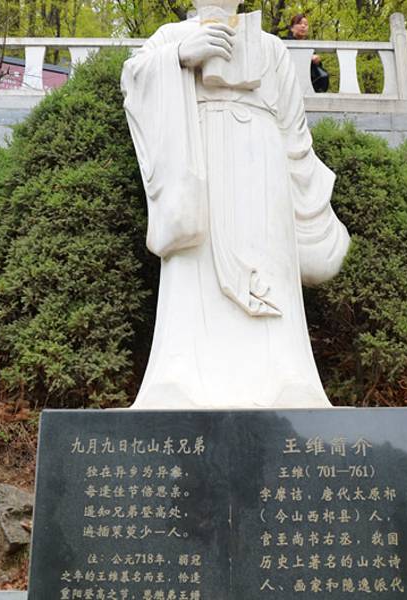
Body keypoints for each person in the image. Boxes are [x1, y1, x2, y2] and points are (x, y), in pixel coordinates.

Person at [121, 0, 349, 409]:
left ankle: (286, 378)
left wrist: (309, 201)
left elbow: (294, 131)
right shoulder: (171, 37)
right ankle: (180, 381)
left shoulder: (271, 47)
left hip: (263, 169)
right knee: (195, 270)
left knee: (270, 266)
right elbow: (133, 80)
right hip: (197, 165)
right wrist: (179, 56)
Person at [287, 13, 329, 93]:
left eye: (306, 24)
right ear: (292, 28)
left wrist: (317, 62)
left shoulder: (309, 47)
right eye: (300, 23)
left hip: (307, 86)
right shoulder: (284, 42)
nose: (303, 26)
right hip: (290, 83)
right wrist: (307, 57)